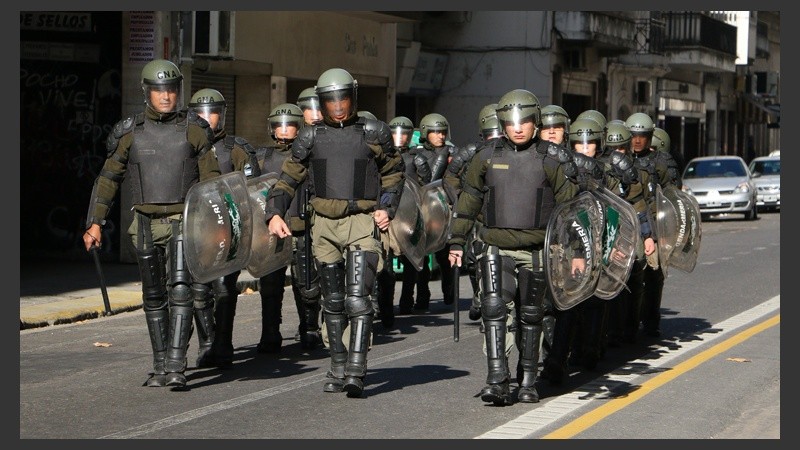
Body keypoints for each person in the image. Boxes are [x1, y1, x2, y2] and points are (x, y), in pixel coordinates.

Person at [265, 68, 404, 398]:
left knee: (358, 299)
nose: (338, 106)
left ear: (353, 98)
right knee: (334, 301)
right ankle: (338, 364)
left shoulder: (374, 132)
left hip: (362, 221)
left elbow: (394, 173)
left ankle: (356, 368)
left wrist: (387, 207)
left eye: (343, 99)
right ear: (322, 102)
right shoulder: (310, 137)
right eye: (331, 100)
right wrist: (274, 213)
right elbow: (287, 179)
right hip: (323, 225)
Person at [82, 59, 219, 389]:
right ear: (147, 93)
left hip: (182, 222)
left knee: (182, 291)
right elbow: (109, 177)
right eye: (159, 91)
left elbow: (212, 180)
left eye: (171, 90)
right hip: (143, 223)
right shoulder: (130, 133)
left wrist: (216, 224)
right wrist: (95, 223)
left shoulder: (195, 130)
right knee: (154, 295)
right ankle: (160, 364)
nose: (166, 96)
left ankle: (176, 363)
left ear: (178, 92)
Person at [446, 89, 581, 405]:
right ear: (502, 123)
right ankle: (497, 380)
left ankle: (529, 381)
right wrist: (456, 241)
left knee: (532, 316)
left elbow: (570, 211)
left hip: (536, 251)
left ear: (536, 121)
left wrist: (575, 253)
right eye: (510, 122)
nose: (518, 128)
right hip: (495, 247)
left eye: (524, 121)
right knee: (494, 311)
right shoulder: (487, 156)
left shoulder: (553, 159)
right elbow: (469, 201)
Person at [187, 88, 261, 368]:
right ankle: (207, 343)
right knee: (198, 290)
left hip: (230, 230)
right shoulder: (188, 144)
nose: (207, 120)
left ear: (223, 116)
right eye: (201, 115)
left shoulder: (236, 149)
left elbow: (252, 192)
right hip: (198, 231)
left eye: (213, 114)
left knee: (224, 290)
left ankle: (223, 343)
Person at [256, 103, 323, 353]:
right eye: (279, 126)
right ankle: (270, 333)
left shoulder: (310, 156)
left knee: (306, 284)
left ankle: (309, 329)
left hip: (302, 227)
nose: (284, 131)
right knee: (270, 285)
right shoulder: (262, 156)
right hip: (271, 230)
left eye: (290, 125)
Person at [443, 103, 503, 321]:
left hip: (502, 215)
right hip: (475, 214)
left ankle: (489, 300)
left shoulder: (511, 152)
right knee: (472, 260)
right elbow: (450, 178)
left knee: (495, 261)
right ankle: (479, 296)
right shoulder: (470, 151)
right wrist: (461, 199)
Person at [626, 113, 677, 339]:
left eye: (642, 136)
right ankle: (625, 325)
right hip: (627, 226)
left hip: (654, 227)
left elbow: (673, 197)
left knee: (653, 275)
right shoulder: (620, 159)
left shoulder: (661, 163)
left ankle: (650, 322)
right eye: (633, 136)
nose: (637, 141)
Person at [413, 113, 458, 311]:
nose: (440, 136)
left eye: (442, 132)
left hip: (444, 207)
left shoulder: (453, 153)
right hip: (422, 208)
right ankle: (422, 295)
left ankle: (449, 290)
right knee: (421, 255)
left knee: (444, 252)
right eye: (435, 132)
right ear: (425, 133)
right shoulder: (417, 152)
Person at [388, 116, 432, 316]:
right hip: (388, 214)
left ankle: (410, 298)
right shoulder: (386, 156)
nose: (399, 138)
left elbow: (426, 186)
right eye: (395, 133)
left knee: (413, 260)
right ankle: (384, 303)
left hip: (410, 215)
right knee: (385, 262)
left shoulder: (416, 158)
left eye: (403, 134)